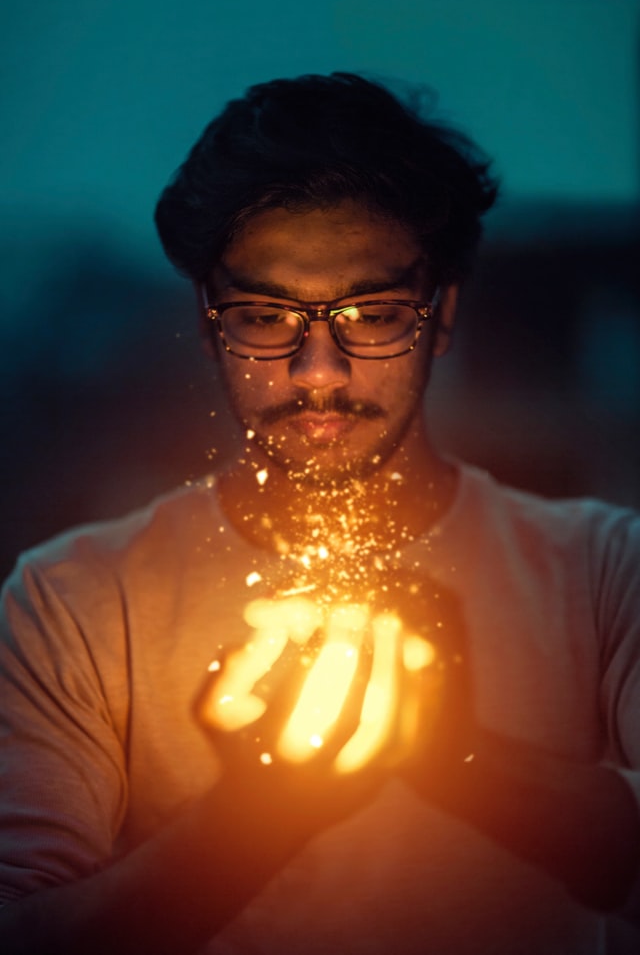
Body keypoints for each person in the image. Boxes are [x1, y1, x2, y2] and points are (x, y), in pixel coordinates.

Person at [1, 71, 639, 955]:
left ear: (442, 312)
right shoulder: (73, 603)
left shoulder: (606, 573)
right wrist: (246, 825)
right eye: (266, 315)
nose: (317, 371)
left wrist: (462, 763)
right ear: (208, 319)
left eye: (372, 314)